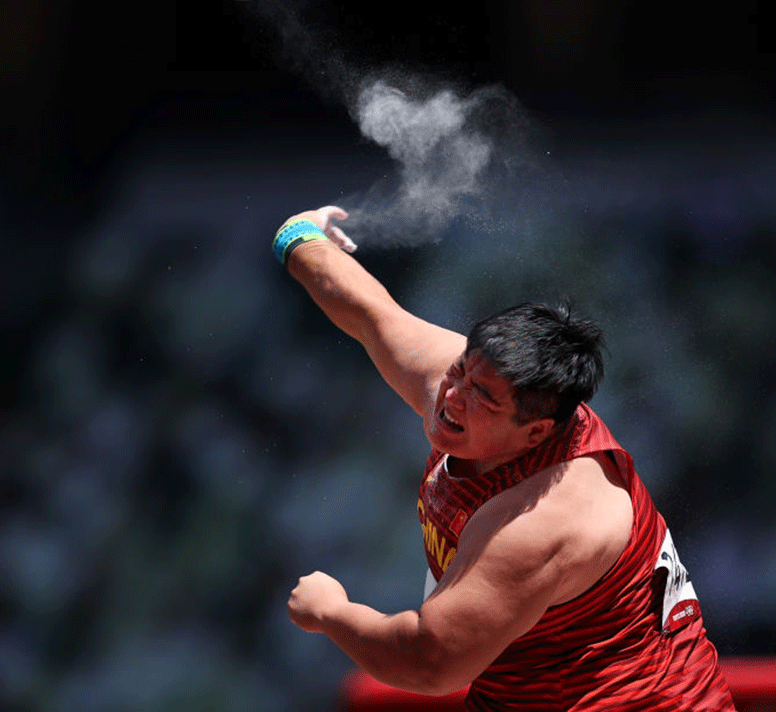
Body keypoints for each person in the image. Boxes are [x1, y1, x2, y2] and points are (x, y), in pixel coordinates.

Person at [275, 206, 735, 711]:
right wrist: (299, 238)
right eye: (460, 372)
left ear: (536, 431)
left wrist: (331, 612)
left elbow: (431, 664)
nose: (451, 397)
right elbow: (370, 313)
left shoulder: (545, 519)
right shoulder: (467, 385)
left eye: (482, 398)